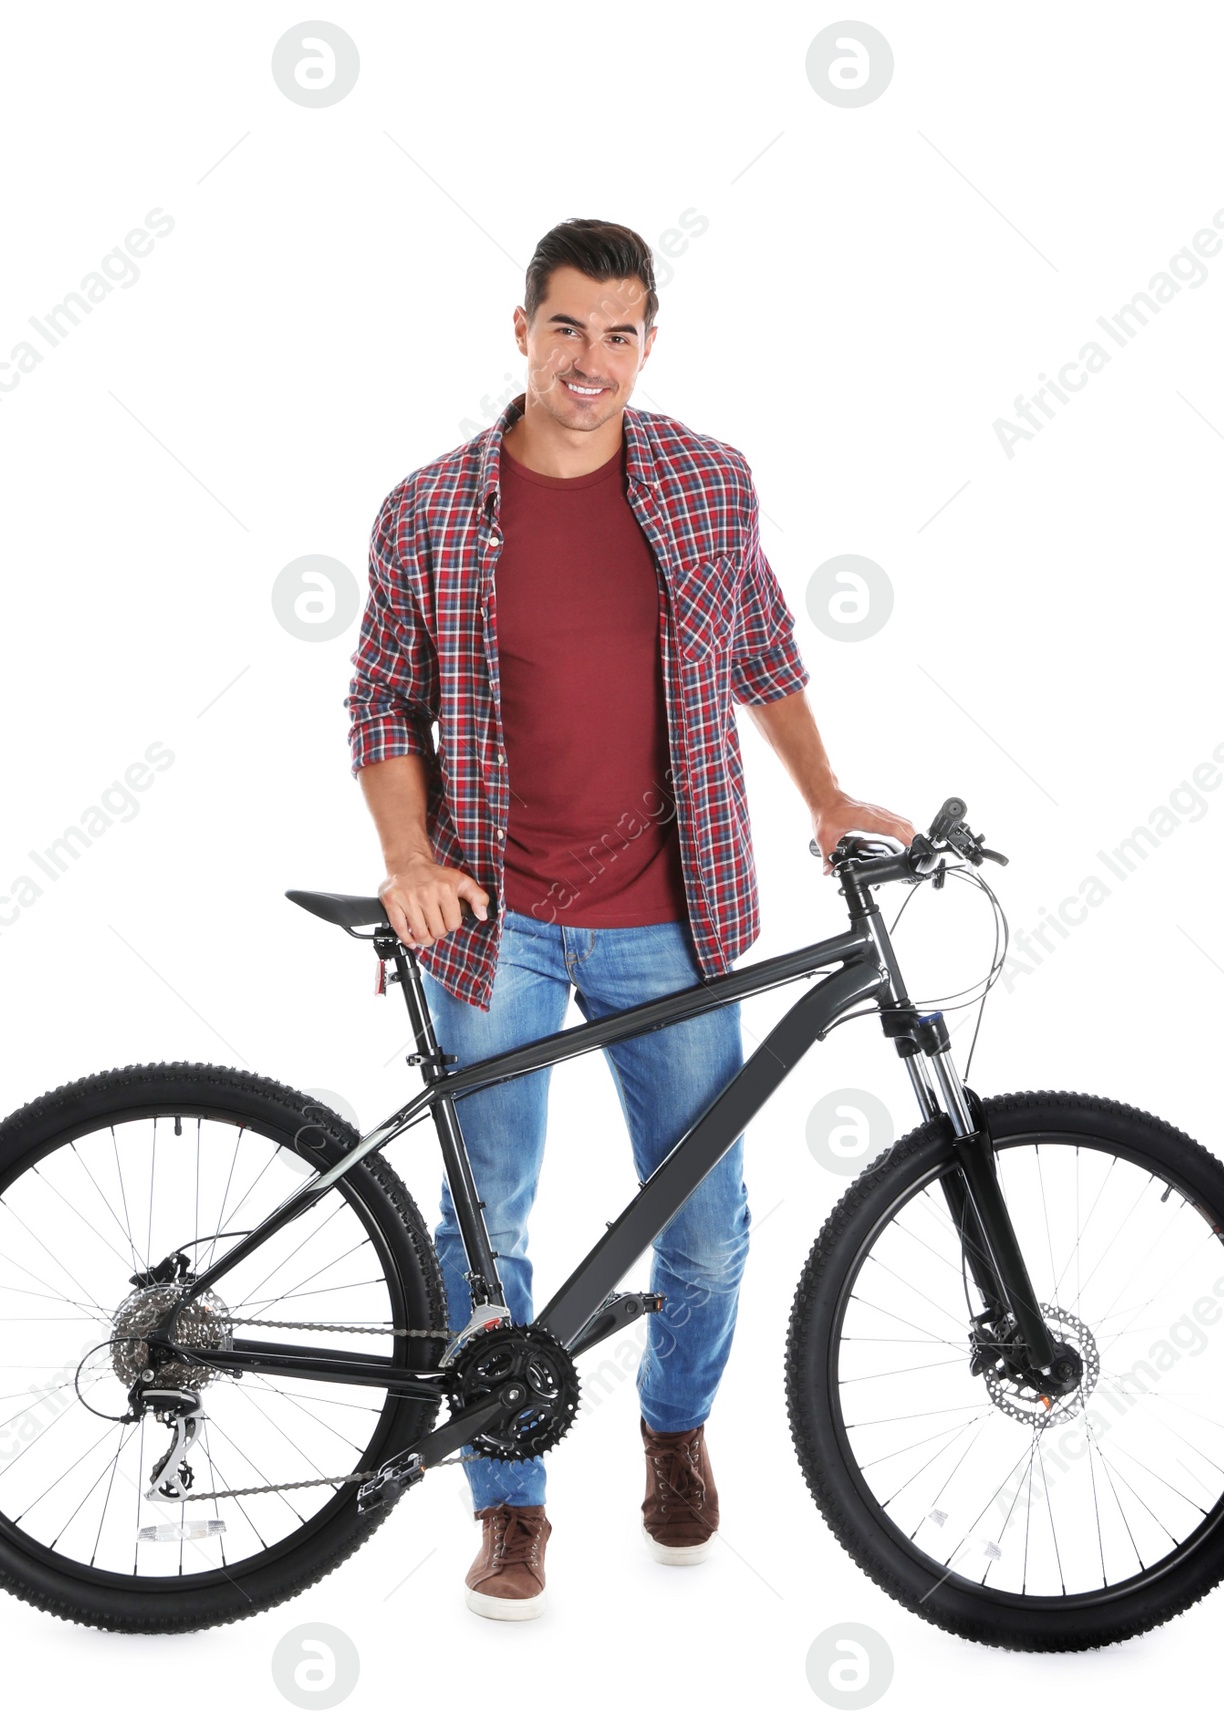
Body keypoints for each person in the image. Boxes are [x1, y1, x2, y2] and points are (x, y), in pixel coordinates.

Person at [345, 217, 913, 1620]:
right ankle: (510, 1500)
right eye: (567, 329)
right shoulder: (429, 508)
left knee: (708, 1222)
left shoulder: (709, 484)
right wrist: (410, 856)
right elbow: (378, 700)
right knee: (490, 1235)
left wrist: (827, 791)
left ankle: (673, 1429)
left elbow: (764, 651)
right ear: (521, 331)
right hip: (497, 919)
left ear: (649, 339)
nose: (592, 361)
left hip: (672, 909)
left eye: (620, 333)